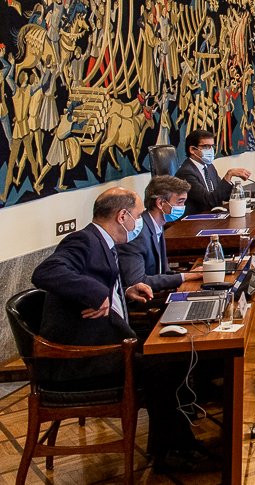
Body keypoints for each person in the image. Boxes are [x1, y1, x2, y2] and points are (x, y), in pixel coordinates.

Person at [31, 187, 211, 471]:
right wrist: (97, 294)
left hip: (107, 339)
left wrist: (125, 291)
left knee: (174, 356)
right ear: (122, 216)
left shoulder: (103, 242)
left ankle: (173, 444)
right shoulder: (83, 240)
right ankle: (172, 452)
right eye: (138, 216)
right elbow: (45, 272)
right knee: (163, 367)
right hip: (83, 361)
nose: (140, 222)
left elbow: (103, 283)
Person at [117, 175, 200, 296]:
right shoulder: (137, 233)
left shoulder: (158, 225)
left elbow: (163, 271)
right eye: (180, 202)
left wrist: (191, 274)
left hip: (159, 293)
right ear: (160, 203)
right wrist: (184, 277)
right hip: (144, 300)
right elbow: (138, 282)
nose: (183, 207)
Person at [176, 129, 252, 214]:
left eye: (212, 146)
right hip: (197, 218)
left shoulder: (209, 167)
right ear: (192, 149)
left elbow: (223, 194)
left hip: (213, 215)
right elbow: (209, 201)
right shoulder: (186, 172)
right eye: (206, 146)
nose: (211, 150)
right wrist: (229, 175)